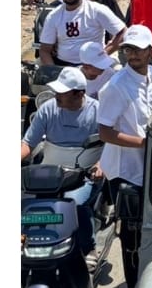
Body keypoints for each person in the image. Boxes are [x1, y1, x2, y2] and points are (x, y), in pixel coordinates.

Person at [96, 25, 152, 288]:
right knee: (132, 233)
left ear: (150, 50)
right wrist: (144, 144)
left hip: (150, 165)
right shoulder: (116, 86)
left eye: (138, 49)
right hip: (126, 170)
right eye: (128, 49)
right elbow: (104, 131)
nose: (132, 54)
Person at [21, 66, 101, 265]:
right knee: (33, 206)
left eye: (62, 93)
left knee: (76, 203)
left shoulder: (98, 111)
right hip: (50, 174)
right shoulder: (48, 108)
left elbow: (110, 145)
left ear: (79, 93)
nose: (57, 95)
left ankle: (88, 246)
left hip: (83, 174)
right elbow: (28, 143)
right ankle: (35, 245)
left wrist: (101, 165)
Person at [38, 0, 127, 67]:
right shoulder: (53, 16)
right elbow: (44, 50)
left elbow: (122, 32)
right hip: (63, 66)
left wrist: (104, 54)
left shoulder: (96, 10)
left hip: (95, 64)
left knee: (118, 72)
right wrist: (53, 71)